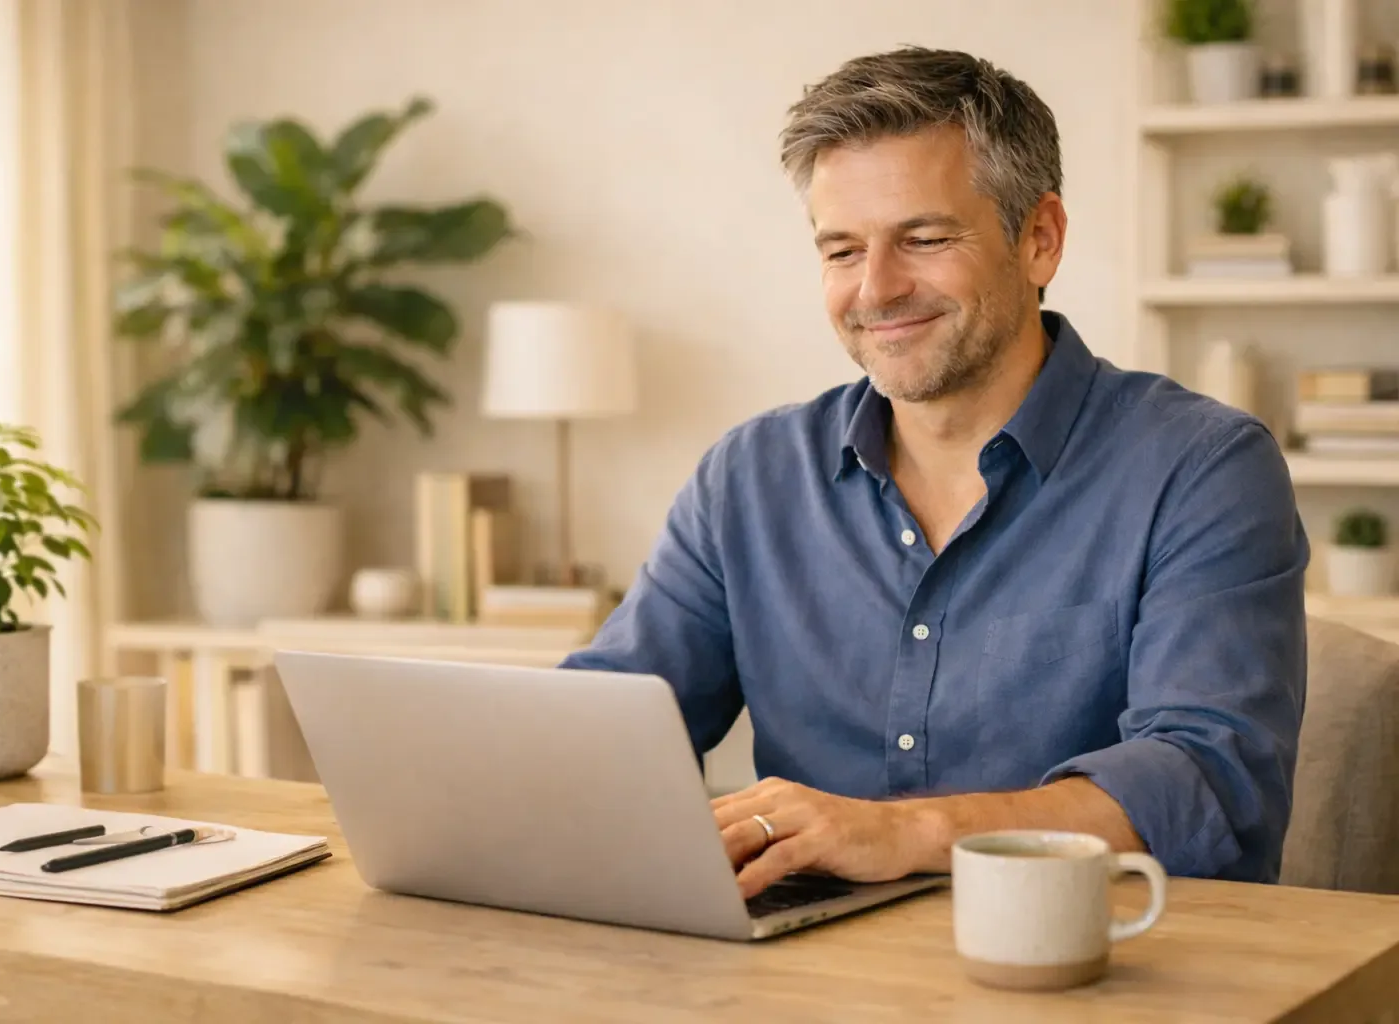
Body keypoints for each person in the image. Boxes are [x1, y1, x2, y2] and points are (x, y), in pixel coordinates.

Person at [559, 46, 1309, 899]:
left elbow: (1210, 785)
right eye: (841, 251)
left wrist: (906, 833)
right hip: (795, 971)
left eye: (923, 238)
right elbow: (610, 730)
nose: (876, 289)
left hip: (1092, 967)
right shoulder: (750, 479)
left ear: (1040, 238)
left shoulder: (1201, 469)